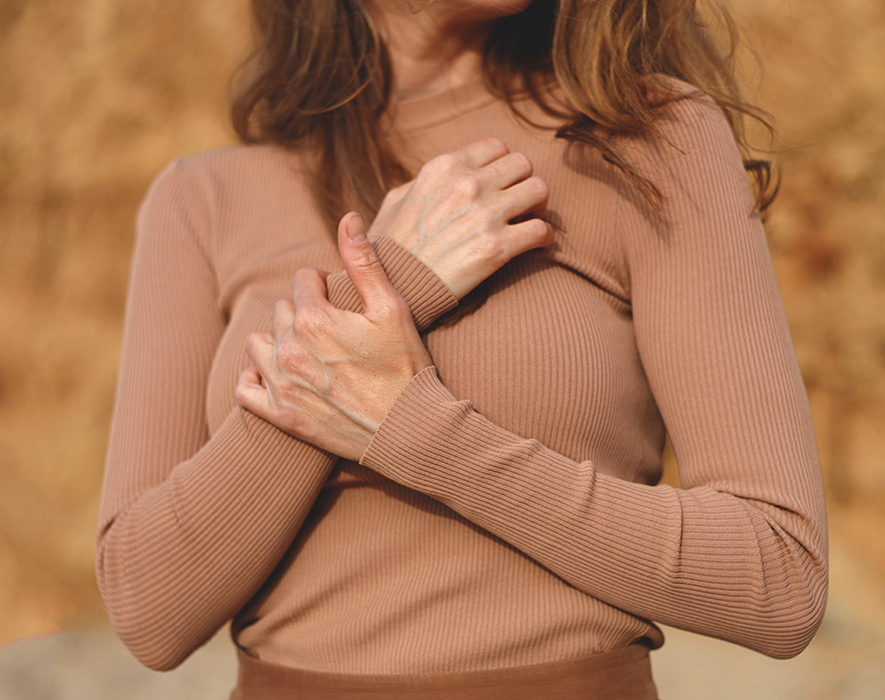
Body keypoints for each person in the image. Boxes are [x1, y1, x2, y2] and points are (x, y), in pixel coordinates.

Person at [95, 0, 828, 697]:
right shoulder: (203, 198)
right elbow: (149, 609)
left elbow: (776, 579)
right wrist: (390, 284)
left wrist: (421, 434)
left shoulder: (642, 139)